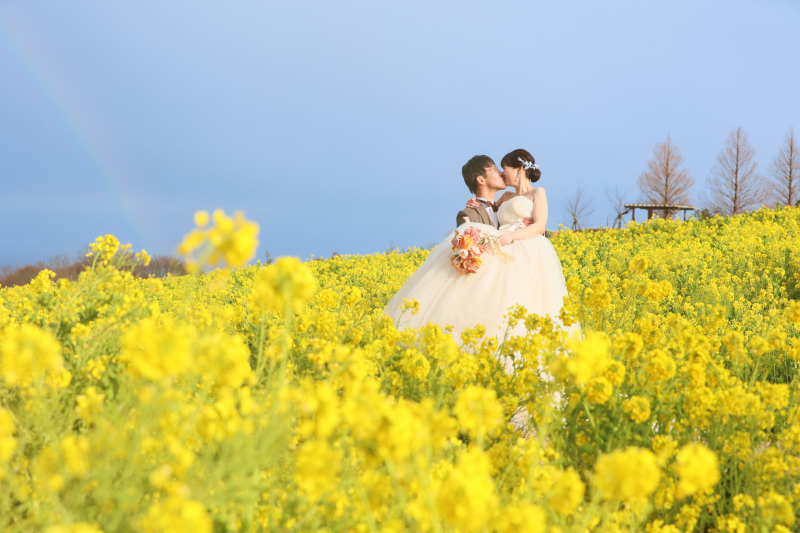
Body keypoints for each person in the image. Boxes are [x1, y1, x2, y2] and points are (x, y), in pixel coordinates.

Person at [384, 149, 571, 347]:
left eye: (503, 168)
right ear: (481, 179)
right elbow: (490, 212)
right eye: (495, 169)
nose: (500, 173)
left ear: (519, 170)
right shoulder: (504, 198)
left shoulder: (538, 192)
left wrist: (513, 235)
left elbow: (539, 225)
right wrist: (473, 206)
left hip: (521, 249)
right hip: (500, 252)